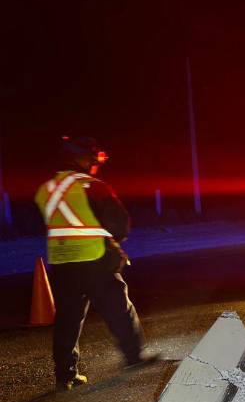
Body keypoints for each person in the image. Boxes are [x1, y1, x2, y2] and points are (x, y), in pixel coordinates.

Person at [34, 136, 156, 389]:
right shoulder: (91, 185)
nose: (95, 164)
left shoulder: (45, 190)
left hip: (61, 262)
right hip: (94, 260)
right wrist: (114, 242)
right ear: (82, 158)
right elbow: (118, 223)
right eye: (94, 159)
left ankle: (65, 375)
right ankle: (134, 356)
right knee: (119, 308)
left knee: (68, 318)